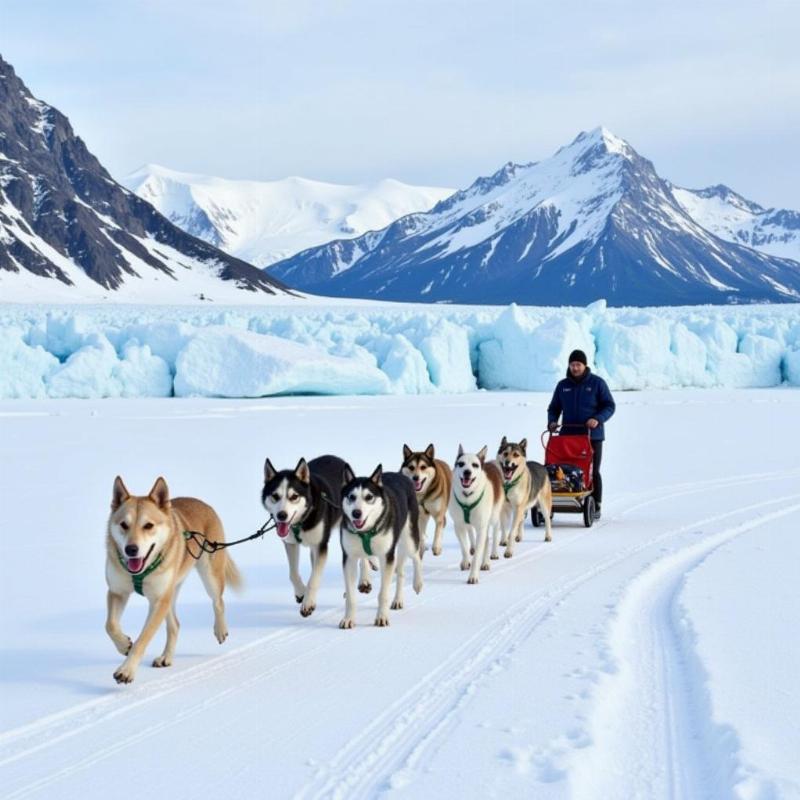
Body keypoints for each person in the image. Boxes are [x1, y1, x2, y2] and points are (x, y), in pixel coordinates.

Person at [547, 349, 615, 519]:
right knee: (563, 469)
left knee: (592, 471)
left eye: (578, 365)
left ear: (585, 365)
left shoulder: (597, 383)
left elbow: (609, 405)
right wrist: (552, 421)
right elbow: (554, 408)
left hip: (592, 436)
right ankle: (558, 497)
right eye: (572, 365)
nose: (575, 368)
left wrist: (597, 419)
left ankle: (596, 503)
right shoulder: (563, 386)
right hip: (568, 437)